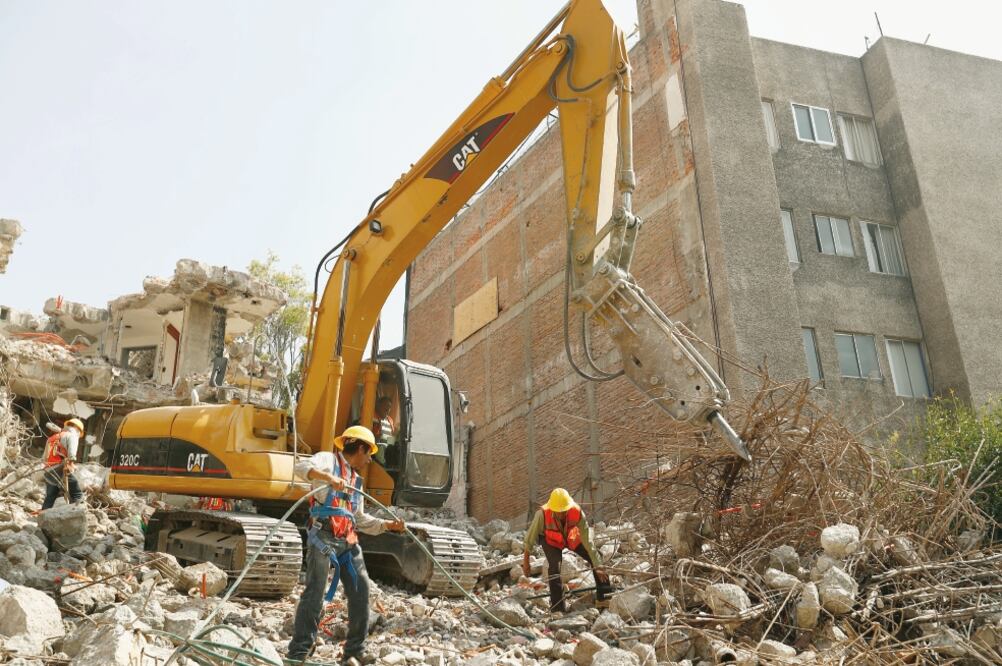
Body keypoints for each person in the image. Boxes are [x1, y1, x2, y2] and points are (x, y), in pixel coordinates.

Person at [287, 425, 405, 665]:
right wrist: (328, 478)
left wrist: (387, 525)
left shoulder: (356, 480)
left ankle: (354, 652)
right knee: (315, 592)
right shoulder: (327, 460)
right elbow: (300, 467)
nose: (369, 460)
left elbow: (359, 519)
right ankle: (299, 652)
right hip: (323, 536)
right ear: (360, 448)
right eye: (369, 453)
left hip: (348, 539)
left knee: (361, 590)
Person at [522, 487, 612, 612]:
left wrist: (597, 565)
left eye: (564, 511)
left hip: (571, 538)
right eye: (558, 512)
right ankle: (558, 608)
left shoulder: (577, 512)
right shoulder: (542, 514)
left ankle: (604, 597)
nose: (561, 514)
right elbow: (529, 539)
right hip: (551, 541)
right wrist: (526, 563)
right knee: (554, 567)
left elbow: (588, 541)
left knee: (597, 558)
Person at [41, 418, 85, 510]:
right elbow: (71, 455)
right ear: (78, 430)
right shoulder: (72, 436)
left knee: (50, 497)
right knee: (77, 494)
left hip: (48, 470)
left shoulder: (51, 438)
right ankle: (79, 511)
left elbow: (44, 458)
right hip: (61, 468)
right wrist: (70, 465)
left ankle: (43, 513)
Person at [371, 397, 396, 466]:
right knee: (381, 447)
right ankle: (382, 466)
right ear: (379, 406)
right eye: (385, 405)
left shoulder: (390, 420)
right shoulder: (372, 416)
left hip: (388, 445)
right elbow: (372, 435)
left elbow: (392, 438)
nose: (388, 409)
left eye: (389, 407)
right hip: (376, 444)